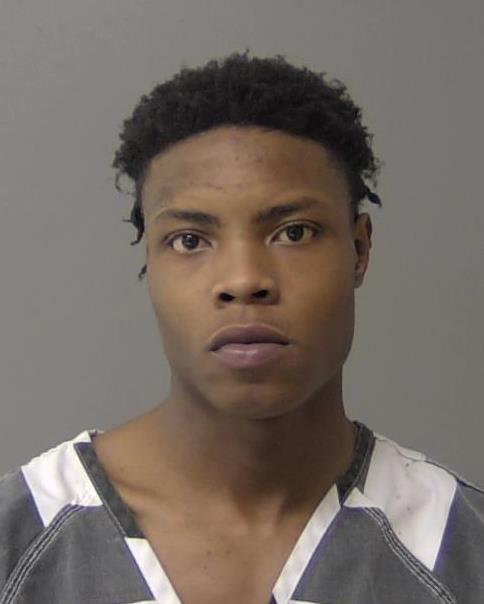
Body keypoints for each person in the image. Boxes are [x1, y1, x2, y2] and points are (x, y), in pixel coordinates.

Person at [0, 49, 482, 604]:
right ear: (150, 260)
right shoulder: (22, 537)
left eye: (294, 232)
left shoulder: (459, 548)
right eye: (189, 240)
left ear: (360, 249)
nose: (244, 280)